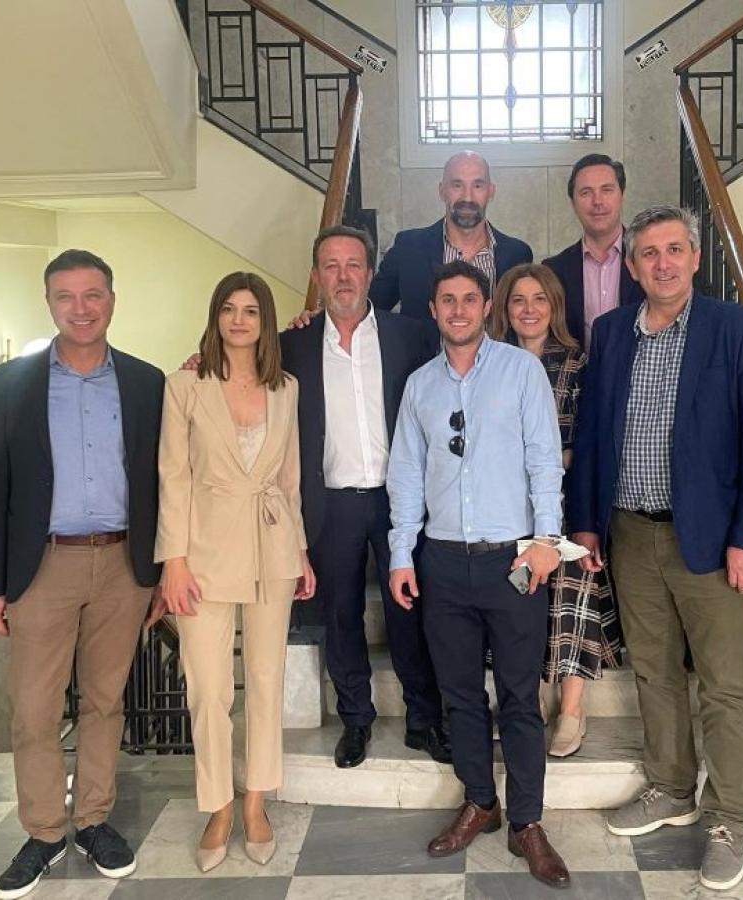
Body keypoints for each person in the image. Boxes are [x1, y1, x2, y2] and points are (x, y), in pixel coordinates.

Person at [568, 205, 743, 892]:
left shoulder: (735, 329)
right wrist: (587, 523)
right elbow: (594, 435)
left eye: (674, 250)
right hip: (631, 533)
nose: (662, 263)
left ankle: (729, 820)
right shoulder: (611, 333)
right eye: (648, 253)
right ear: (631, 267)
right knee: (654, 672)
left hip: (715, 542)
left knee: (723, 685)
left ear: (694, 257)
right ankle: (670, 788)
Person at [0, 249, 164, 899]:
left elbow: (163, 482)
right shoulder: (8, 384)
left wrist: (159, 571)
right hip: (42, 566)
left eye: (92, 295)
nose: (80, 308)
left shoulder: (146, 382)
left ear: (112, 300)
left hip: (123, 564)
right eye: (66, 296)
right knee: (34, 708)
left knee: (106, 702)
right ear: (49, 303)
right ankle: (44, 832)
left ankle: (93, 821)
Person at [388, 259, 571, 889]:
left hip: (512, 561)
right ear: (433, 310)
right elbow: (405, 474)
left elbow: (544, 460)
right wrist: (401, 553)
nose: (459, 310)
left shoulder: (520, 371)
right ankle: (480, 802)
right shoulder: (420, 386)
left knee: (519, 695)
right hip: (442, 561)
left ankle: (527, 821)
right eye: (448, 300)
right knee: (461, 694)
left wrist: (545, 542)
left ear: (487, 306)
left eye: (470, 299)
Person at [155, 272, 315, 872]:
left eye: (251, 310)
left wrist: (301, 551)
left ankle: (255, 802)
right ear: (216, 316)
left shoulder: (286, 387)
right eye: (229, 309)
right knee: (209, 688)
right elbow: (172, 477)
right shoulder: (185, 384)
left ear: (265, 321)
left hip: (273, 546)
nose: (239, 320)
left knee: (267, 679)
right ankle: (218, 805)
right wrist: (173, 561)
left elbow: (290, 478)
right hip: (202, 553)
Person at [279, 225, 448, 770]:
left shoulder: (410, 336)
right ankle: (355, 719)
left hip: (402, 500)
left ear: (371, 273)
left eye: (353, 264)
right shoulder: (292, 345)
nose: (343, 276)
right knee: (340, 614)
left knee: (410, 609)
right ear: (316, 276)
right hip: (330, 501)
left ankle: (424, 719)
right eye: (331, 265)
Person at [489, 263, 622, 758]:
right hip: (505, 504)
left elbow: (586, 443)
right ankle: (523, 698)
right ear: (505, 308)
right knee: (516, 603)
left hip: (566, 503)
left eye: (539, 299)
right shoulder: (490, 362)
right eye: (518, 299)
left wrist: (551, 461)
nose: (529, 309)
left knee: (570, 596)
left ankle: (570, 710)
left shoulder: (577, 362)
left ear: (554, 306)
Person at [369, 151, 532, 330]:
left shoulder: (517, 254)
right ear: (442, 191)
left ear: (490, 191)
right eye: (457, 185)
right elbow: (369, 311)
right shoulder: (408, 248)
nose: (467, 197)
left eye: (478, 185)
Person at [543, 154, 644, 350]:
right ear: (573, 203)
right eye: (586, 193)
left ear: (622, 195)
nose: (597, 201)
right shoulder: (553, 270)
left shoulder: (648, 260)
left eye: (607, 190)